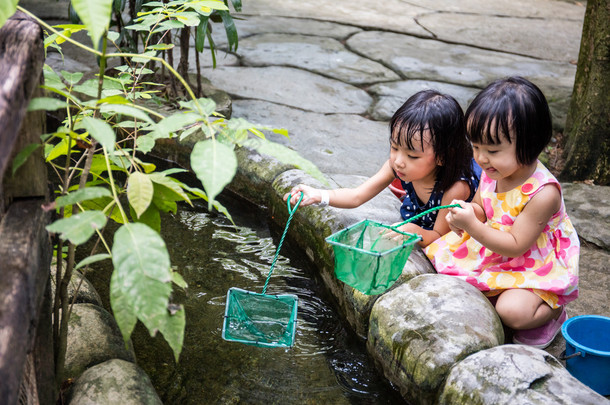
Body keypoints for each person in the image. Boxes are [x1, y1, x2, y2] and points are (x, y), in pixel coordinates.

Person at [425, 76, 579, 349]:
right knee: (443, 266)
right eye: (475, 147)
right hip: (496, 244)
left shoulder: (543, 193)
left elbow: (516, 246)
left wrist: (473, 226)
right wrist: (466, 213)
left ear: (529, 145)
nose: (481, 159)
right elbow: (482, 209)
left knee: (512, 313)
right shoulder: (494, 170)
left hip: (531, 259)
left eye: (492, 150)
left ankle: (553, 310)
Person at [284, 90, 480, 247]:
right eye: (394, 147)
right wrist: (319, 195)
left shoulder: (454, 189)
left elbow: (439, 237)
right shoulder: (398, 166)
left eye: (412, 155)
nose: (399, 161)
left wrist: (416, 232)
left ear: (442, 157)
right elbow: (356, 196)